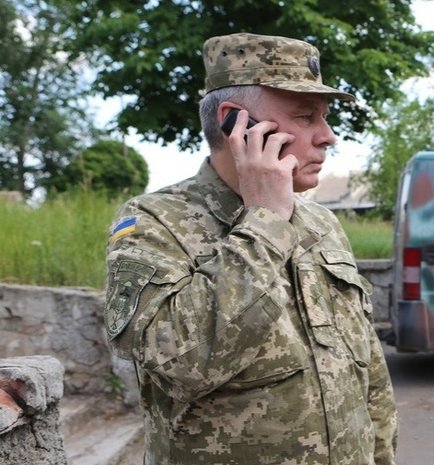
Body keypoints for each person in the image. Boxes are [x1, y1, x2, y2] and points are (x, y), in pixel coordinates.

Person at [103, 32, 398, 465]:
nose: (328, 136)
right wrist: (264, 222)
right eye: (305, 116)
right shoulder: (153, 222)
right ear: (235, 122)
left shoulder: (322, 223)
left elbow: (369, 372)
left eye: (325, 117)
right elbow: (182, 362)